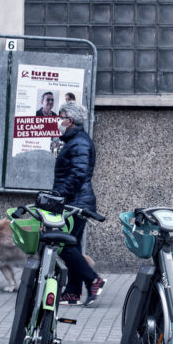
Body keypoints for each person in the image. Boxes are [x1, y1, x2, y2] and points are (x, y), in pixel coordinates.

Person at [51, 102, 105, 306]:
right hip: (75, 201)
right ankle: (73, 292)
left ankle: (93, 280)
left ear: (70, 120)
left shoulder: (79, 143)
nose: (59, 120)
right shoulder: (75, 141)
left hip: (77, 202)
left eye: (61, 116)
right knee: (71, 245)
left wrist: (58, 195)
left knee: (64, 245)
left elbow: (78, 174)